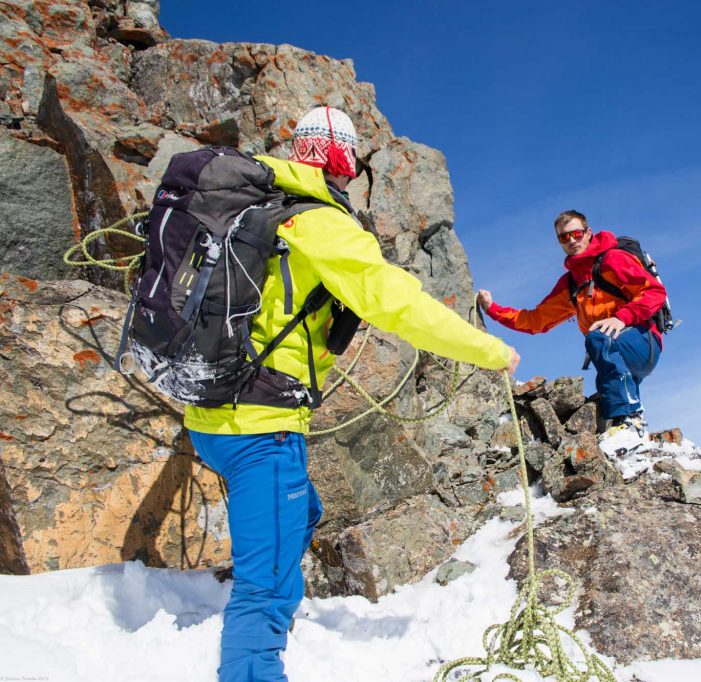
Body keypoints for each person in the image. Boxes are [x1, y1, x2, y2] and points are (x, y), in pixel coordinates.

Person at [184, 106, 519, 682]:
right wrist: (491, 352)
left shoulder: (255, 209)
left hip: (209, 413)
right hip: (261, 426)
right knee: (263, 587)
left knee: (304, 511)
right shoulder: (321, 224)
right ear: (345, 160)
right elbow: (399, 303)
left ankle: (278, 579)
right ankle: (257, 656)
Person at [477, 209, 664, 436]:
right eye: (564, 237)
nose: (572, 240)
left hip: (643, 340)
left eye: (576, 233)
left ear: (588, 233)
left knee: (599, 340)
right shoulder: (572, 282)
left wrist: (621, 318)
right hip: (611, 350)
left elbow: (654, 292)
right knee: (606, 380)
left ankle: (630, 420)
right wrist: (492, 309)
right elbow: (536, 320)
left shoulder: (613, 260)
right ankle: (628, 443)